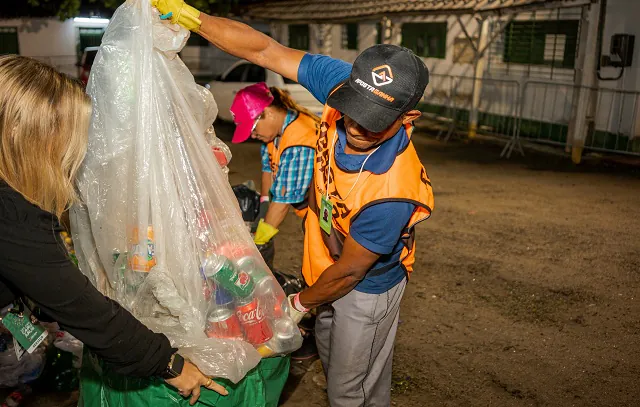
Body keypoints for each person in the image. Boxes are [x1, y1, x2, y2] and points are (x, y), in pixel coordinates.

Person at [152, 1, 434, 405]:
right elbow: (263, 50)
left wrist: (296, 302)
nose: (355, 125)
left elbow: (351, 272)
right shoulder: (343, 86)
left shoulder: (391, 192)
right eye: (353, 109)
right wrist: (193, 19)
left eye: (373, 119)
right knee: (330, 351)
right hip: (324, 264)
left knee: (350, 388)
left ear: (409, 117)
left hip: (365, 287)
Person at [0, 55, 227, 406]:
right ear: (29, 137)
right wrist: (168, 362)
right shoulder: (10, 211)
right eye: (65, 139)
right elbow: (80, 306)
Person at [230, 83, 319, 267]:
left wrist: (259, 242)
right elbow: (268, 169)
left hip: (330, 216)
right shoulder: (273, 134)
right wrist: (264, 203)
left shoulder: (299, 141)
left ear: (268, 112)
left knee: (320, 264)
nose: (252, 135)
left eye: (253, 128)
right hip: (309, 211)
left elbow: (282, 202)